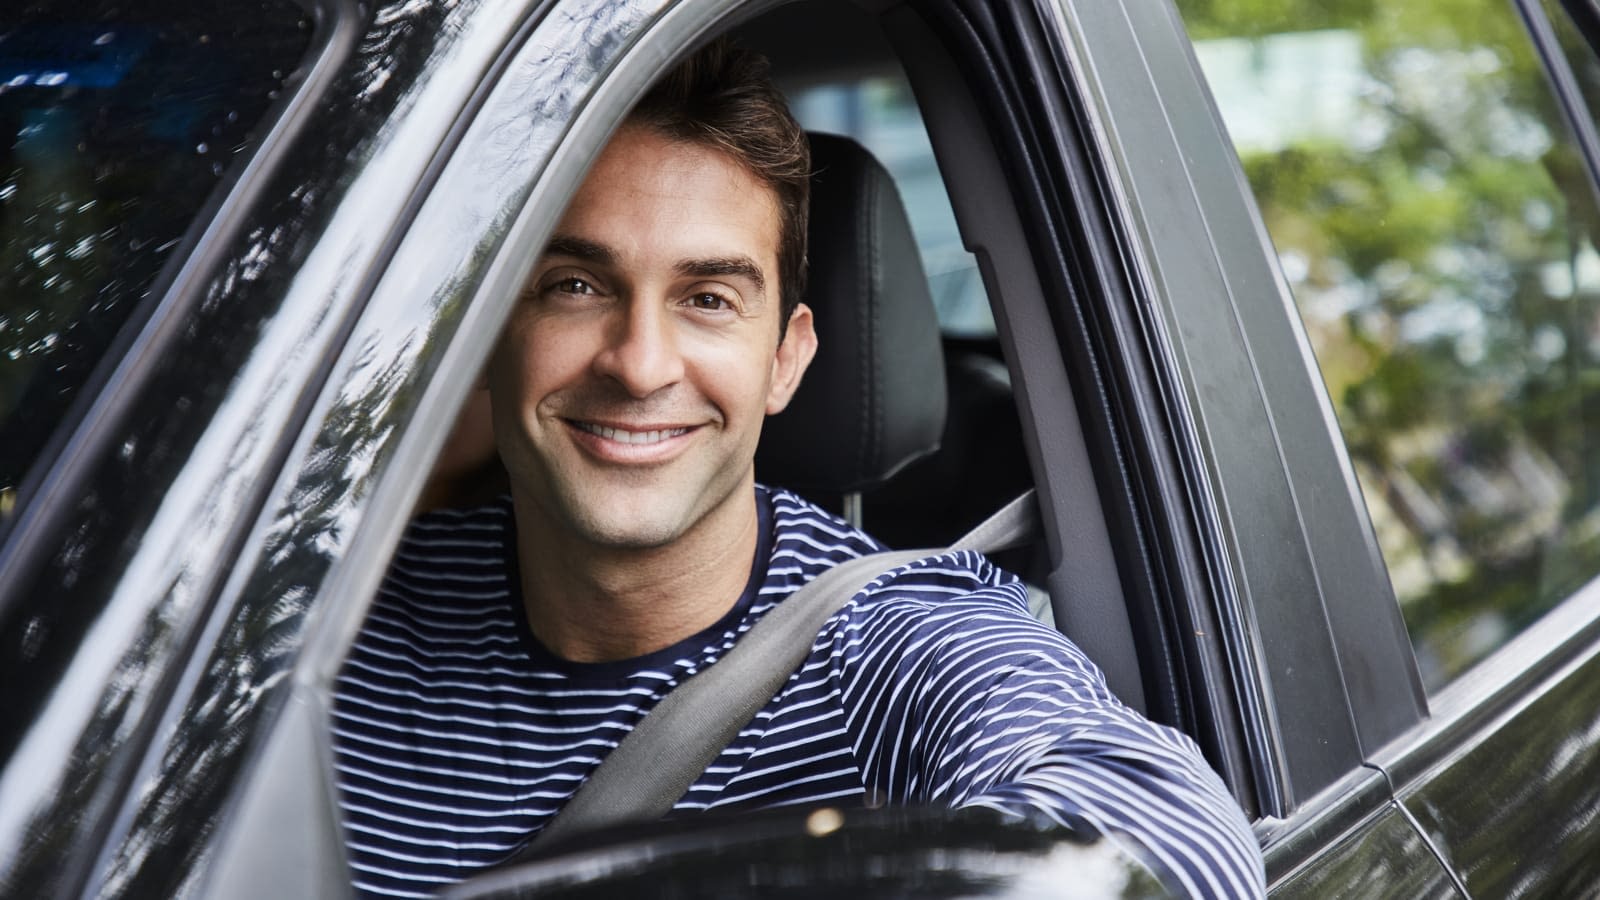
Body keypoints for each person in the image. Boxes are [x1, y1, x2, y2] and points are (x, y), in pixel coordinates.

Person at [331, 37, 1266, 899]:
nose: (641, 362)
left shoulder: (892, 645)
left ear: (786, 358)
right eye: (577, 286)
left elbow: (1167, 837)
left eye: (707, 298)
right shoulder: (331, 615)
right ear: (490, 333)